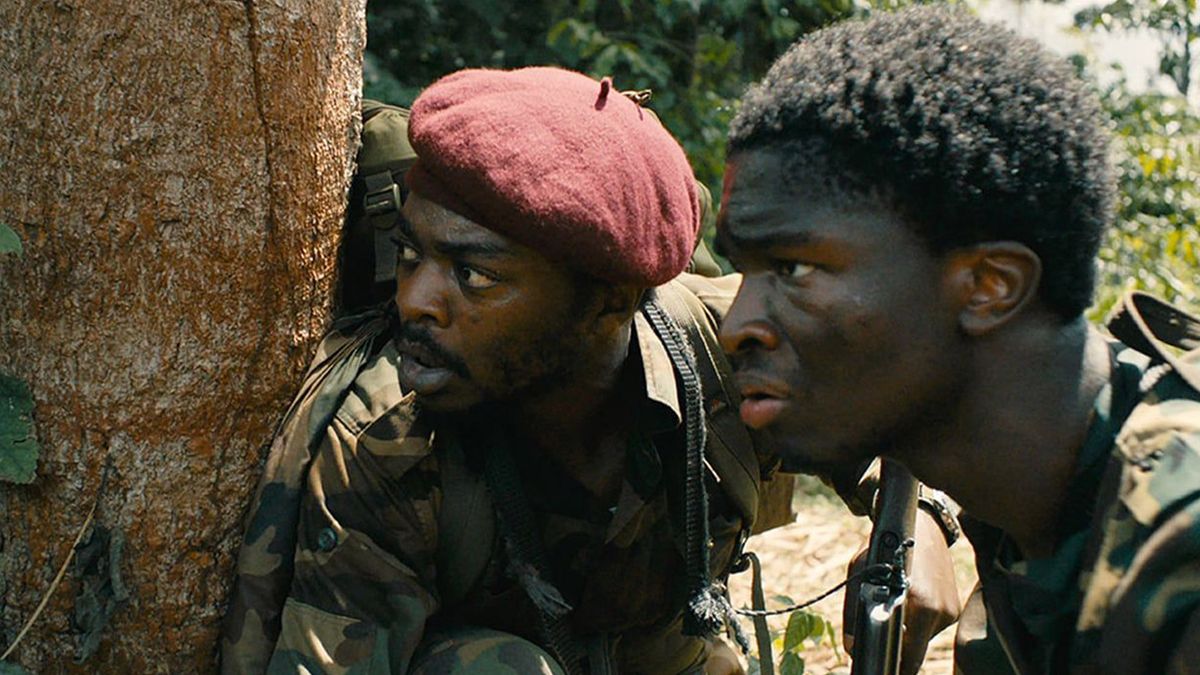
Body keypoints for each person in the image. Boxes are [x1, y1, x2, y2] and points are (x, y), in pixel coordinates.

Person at [220, 66, 955, 675]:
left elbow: (914, 388)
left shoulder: (732, 346)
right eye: (412, 255)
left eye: (473, 275)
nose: (415, 301)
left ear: (609, 303)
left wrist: (920, 527)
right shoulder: (385, 441)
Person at [715, 6, 1200, 675]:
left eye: (793, 268)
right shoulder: (1031, 508)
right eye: (743, 270)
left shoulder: (1182, 535)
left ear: (988, 286)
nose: (735, 325)